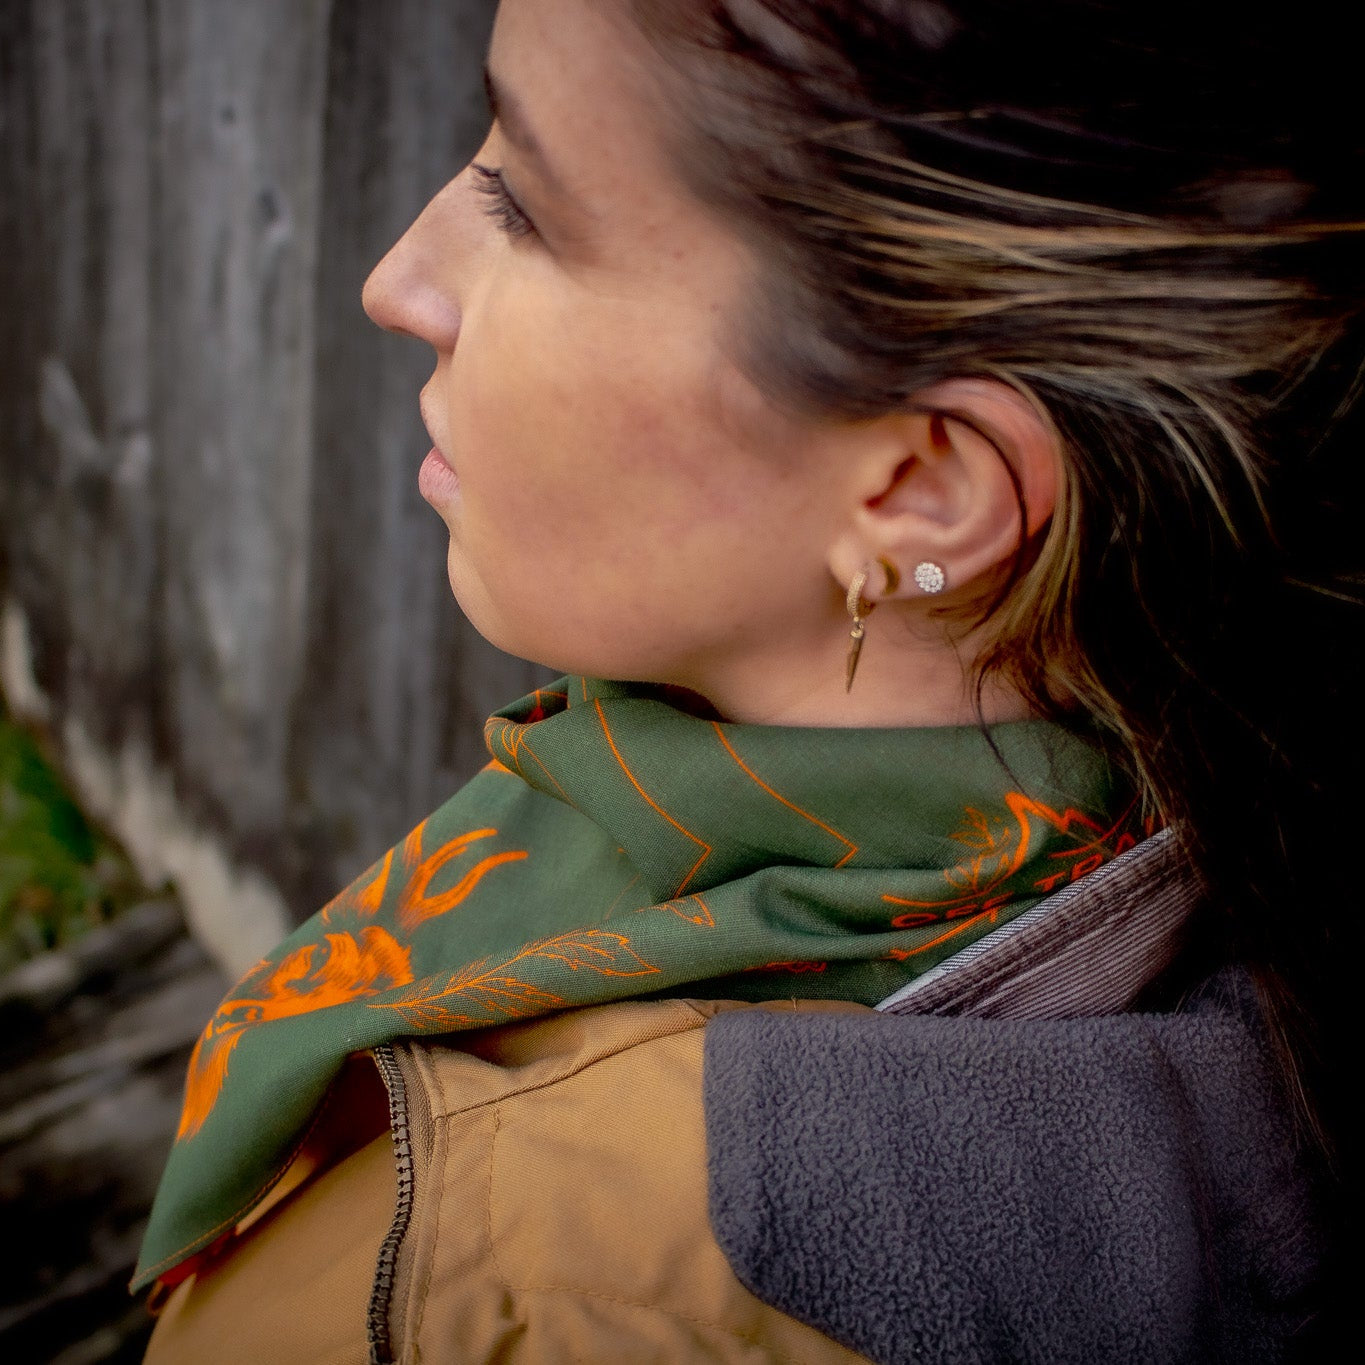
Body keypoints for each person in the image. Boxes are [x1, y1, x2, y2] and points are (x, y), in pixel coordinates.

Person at [138, 1, 1361, 1360]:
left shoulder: (550, 1297)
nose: (397, 276)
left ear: (918, 491)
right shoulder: (1210, 823)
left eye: (523, 206)